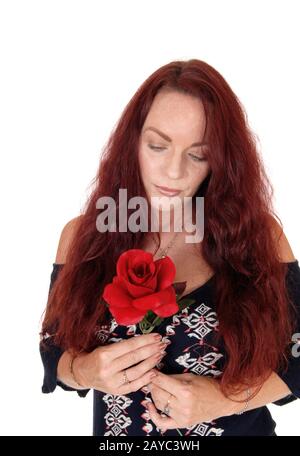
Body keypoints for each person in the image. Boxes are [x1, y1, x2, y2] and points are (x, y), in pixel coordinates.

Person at [39, 59, 300, 436]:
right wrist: (84, 371)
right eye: (158, 146)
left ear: (221, 160)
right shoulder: (82, 237)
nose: (174, 172)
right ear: (133, 142)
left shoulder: (259, 237)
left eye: (198, 153)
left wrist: (225, 400)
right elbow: (53, 348)